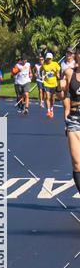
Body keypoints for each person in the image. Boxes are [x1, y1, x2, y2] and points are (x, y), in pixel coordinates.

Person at [59, 46, 80, 197]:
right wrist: (60, 88)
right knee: (77, 163)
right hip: (75, 118)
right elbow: (63, 95)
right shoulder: (69, 72)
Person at [42, 51, 61, 119]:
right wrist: (42, 76)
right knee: (47, 97)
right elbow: (41, 71)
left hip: (54, 84)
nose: (49, 60)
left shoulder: (55, 64)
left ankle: (52, 108)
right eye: (48, 58)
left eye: (50, 58)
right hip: (46, 83)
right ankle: (48, 111)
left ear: (52, 59)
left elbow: (58, 75)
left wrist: (55, 71)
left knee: (53, 99)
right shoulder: (44, 64)